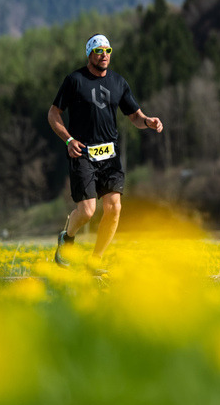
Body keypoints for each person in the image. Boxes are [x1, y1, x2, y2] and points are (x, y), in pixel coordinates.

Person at [48, 34, 163, 270]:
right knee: (88, 211)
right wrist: (68, 139)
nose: (104, 55)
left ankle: (95, 260)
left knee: (114, 208)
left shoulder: (118, 82)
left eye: (107, 51)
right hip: (82, 153)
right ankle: (67, 237)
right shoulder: (74, 80)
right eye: (99, 51)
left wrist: (148, 121)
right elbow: (53, 114)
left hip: (109, 155)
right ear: (89, 53)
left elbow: (134, 116)